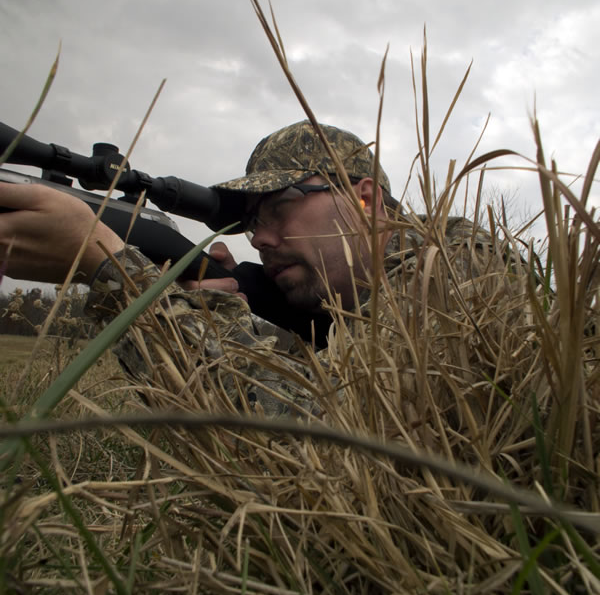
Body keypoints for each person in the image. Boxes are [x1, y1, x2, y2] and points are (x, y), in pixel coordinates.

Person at [0, 120, 495, 417]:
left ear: (365, 200)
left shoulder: (457, 260)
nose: (259, 238)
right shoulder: (340, 308)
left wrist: (116, 273)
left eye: (278, 208)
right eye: (251, 222)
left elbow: (321, 431)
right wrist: (218, 314)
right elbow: (316, 373)